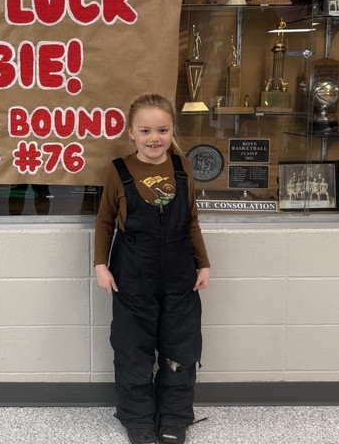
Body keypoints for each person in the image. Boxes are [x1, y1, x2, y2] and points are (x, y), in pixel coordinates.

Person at [94, 93, 210, 444]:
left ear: (173, 130)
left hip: (180, 273)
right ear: (131, 132)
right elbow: (104, 222)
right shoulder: (118, 171)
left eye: (162, 129)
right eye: (145, 130)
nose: (154, 138)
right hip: (132, 274)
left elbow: (191, 219)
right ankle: (138, 420)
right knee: (133, 348)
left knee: (180, 347)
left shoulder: (182, 167)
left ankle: (174, 418)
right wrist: (101, 265)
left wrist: (202, 262)